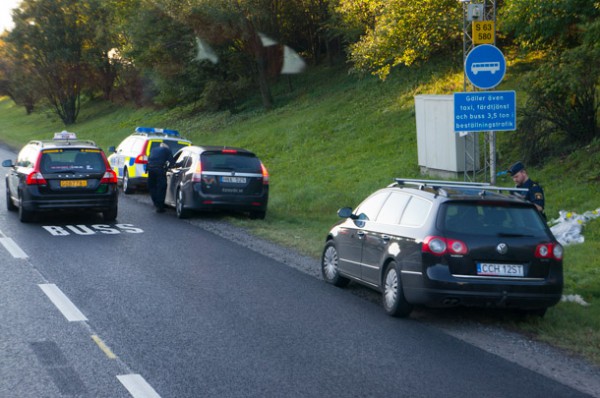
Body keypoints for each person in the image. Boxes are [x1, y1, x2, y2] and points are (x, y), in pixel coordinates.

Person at [146, 142, 173, 213]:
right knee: (162, 187)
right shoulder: (167, 150)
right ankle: (160, 207)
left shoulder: (153, 149)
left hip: (150, 169)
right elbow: (172, 162)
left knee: (152, 187)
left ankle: (156, 203)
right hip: (159, 169)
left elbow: (149, 159)